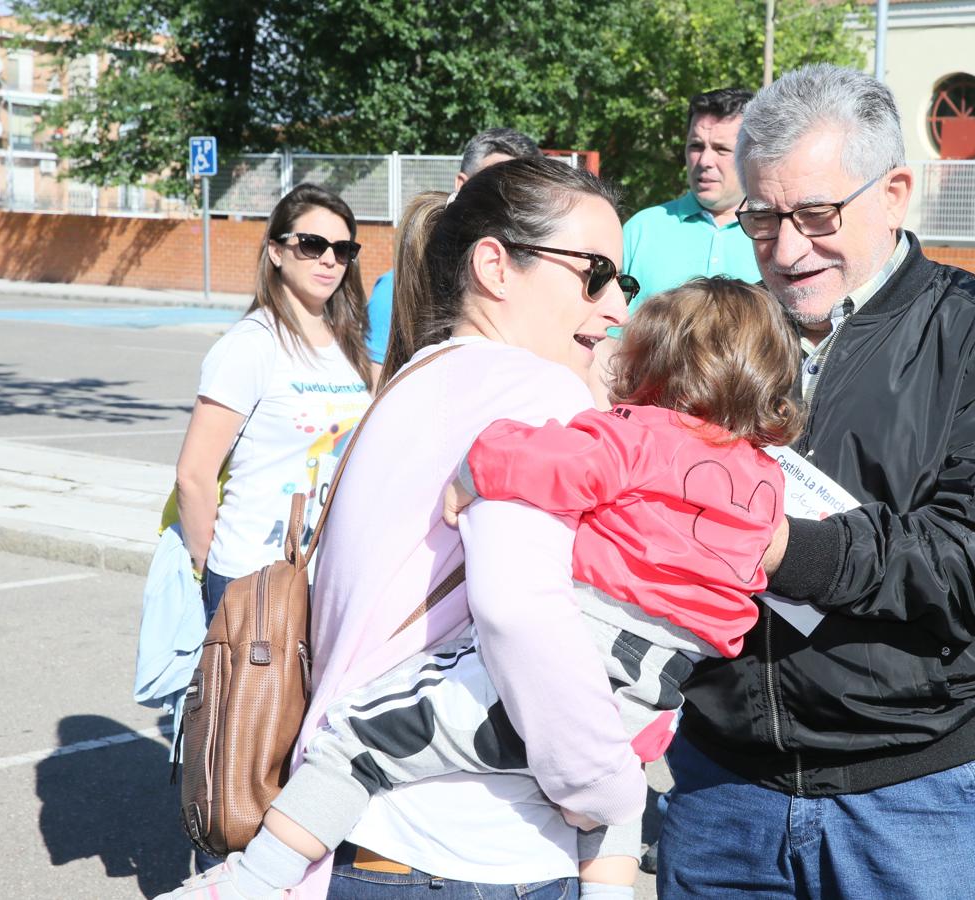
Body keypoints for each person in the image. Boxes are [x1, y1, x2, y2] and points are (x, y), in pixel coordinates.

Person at [156, 277, 802, 900]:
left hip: (545, 682)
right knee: (619, 804)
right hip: (653, 696)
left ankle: (253, 880)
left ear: (655, 362)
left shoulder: (634, 439)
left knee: (354, 740)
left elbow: (536, 462)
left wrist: (474, 467)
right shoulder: (769, 486)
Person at [158, 156, 650, 900]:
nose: (615, 306)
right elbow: (523, 613)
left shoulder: (412, 378)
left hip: (358, 836)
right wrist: (607, 787)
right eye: (594, 273)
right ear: (496, 265)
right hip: (475, 854)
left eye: (625, 283)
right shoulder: (544, 395)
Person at [656, 65, 975, 898]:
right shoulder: (709, 331)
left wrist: (782, 549)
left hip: (911, 797)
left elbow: (972, 567)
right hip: (719, 785)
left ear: (894, 193)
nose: (785, 249)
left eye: (815, 215)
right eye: (762, 217)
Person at [174, 181, 375, 632]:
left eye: (342, 249)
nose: (328, 259)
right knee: (254, 705)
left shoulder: (348, 345)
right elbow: (193, 474)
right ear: (277, 251)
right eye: (312, 244)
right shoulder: (252, 344)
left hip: (326, 573)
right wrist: (212, 573)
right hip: (253, 574)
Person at [365, 128, 542, 364]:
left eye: (523, 191)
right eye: (495, 184)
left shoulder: (540, 288)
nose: (508, 202)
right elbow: (381, 385)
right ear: (461, 185)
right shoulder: (400, 288)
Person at [621, 88, 761, 309]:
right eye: (696, 146)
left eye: (721, 149)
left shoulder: (774, 234)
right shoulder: (640, 231)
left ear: (752, 154)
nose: (705, 160)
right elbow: (606, 334)